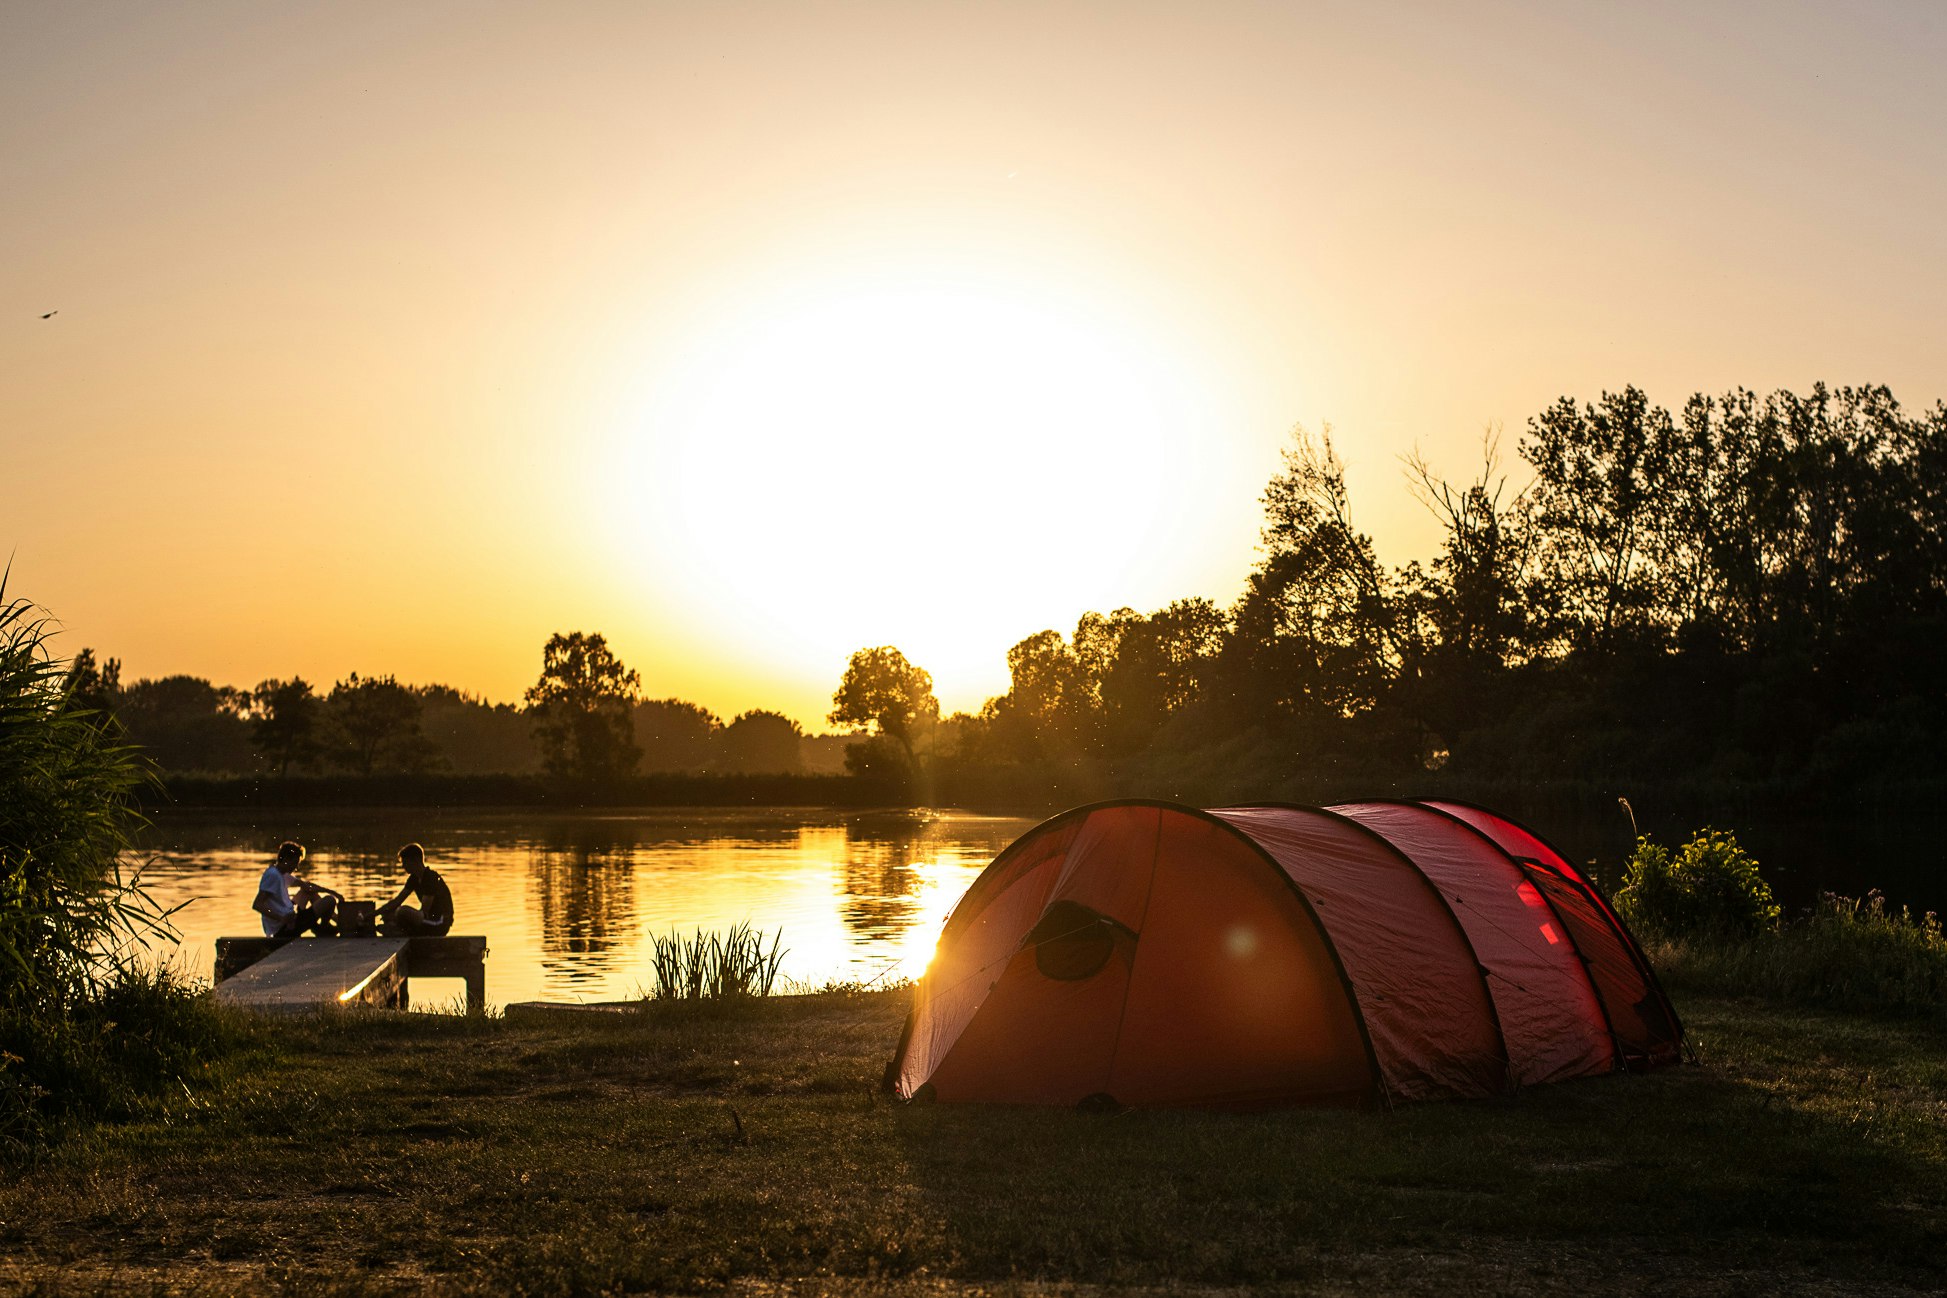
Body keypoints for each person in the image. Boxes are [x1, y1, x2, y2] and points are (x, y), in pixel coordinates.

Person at [253, 840, 342, 939]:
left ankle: (325, 925)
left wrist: (332, 892)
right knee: (330, 900)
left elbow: (307, 886)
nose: (296, 867)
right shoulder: (272, 875)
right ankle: (323, 929)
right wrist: (281, 918)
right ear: (286, 859)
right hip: (284, 929)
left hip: (291, 917)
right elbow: (257, 905)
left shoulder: (281, 874)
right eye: (295, 863)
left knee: (308, 892)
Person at [378, 843, 454, 937]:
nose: (403, 866)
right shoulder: (414, 878)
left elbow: (424, 912)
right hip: (427, 920)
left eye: (405, 862)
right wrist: (373, 915)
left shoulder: (430, 878)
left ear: (415, 861)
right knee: (389, 912)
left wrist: (400, 916)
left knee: (402, 911)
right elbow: (397, 901)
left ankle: (400, 931)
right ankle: (400, 931)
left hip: (439, 923)